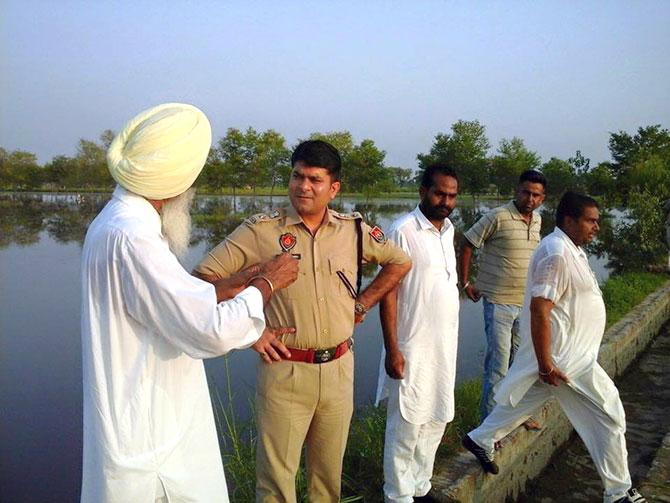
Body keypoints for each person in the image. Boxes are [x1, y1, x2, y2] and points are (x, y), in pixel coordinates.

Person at [80, 103, 299, 503]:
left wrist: (235, 283)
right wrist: (269, 282)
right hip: (152, 439)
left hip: (143, 425)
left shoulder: (114, 222)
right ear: (176, 184)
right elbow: (208, 333)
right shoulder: (134, 238)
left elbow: (165, 301)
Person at [194, 139, 412, 502]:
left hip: (340, 368)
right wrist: (251, 332)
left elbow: (400, 262)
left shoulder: (354, 230)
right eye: (297, 176)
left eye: (314, 179)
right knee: (276, 483)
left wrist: (362, 304)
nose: (303, 186)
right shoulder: (261, 231)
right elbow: (201, 281)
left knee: (328, 480)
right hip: (286, 371)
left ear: (334, 188)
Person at [462, 192, 647, 503]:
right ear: (569, 220)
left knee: (529, 398)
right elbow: (539, 308)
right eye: (590, 220)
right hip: (566, 359)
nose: (596, 227)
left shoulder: (570, 248)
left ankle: (480, 438)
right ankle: (617, 493)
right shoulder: (556, 252)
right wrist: (546, 363)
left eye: (597, 221)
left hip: (572, 354)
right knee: (611, 414)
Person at [375, 164, 460, 503]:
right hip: (411, 345)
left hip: (443, 346)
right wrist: (392, 348)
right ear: (423, 191)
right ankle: (397, 494)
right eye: (440, 193)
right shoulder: (402, 230)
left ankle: (421, 486)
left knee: (436, 417)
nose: (446, 201)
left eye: (452, 196)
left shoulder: (449, 229)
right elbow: (388, 292)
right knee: (407, 423)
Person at [459, 170, 547, 426]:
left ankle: (515, 416)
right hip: (498, 302)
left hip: (526, 303)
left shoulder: (538, 221)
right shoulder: (497, 216)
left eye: (536, 195)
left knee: (520, 364)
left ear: (543, 198)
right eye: (526, 192)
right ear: (517, 191)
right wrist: (465, 282)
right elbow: (467, 243)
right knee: (498, 364)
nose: (530, 199)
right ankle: (489, 425)